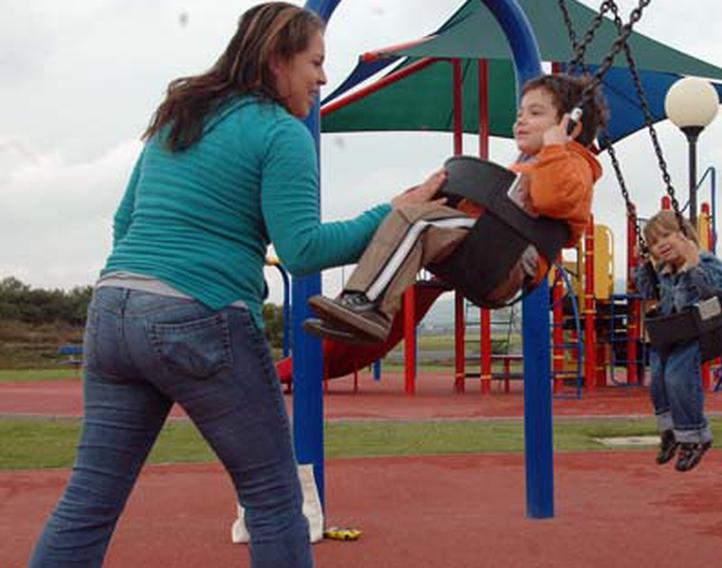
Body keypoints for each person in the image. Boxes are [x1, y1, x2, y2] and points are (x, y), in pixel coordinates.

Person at [28, 4, 441, 567]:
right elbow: (303, 251)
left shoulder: (178, 116)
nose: (322, 78)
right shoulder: (281, 133)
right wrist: (396, 211)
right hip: (200, 318)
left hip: (112, 309)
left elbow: (125, 222)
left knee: (89, 499)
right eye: (315, 63)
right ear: (276, 59)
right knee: (273, 499)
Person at [304, 74, 606, 344]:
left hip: (507, 260)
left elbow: (554, 199)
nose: (520, 121)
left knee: (419, 225)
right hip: (484, 244)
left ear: (571, 126)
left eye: (535, 113)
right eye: (520, 113)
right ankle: (356, 303)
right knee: (408, 216)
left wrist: (556, 148)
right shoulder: (532, 164)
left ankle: (370, 307)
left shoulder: (574, 164)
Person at [635, 210, 722, 472]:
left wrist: (692, 266)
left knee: (678, 378)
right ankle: (670, 432)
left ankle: (695, 437)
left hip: (701, 330)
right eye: (655, 242)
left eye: (667, 235)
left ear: (685, 234)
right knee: (657, 378)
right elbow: (646, 292)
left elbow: (717, 289)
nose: (662, 244)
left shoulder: (704, 261)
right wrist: (644, 264)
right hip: (671, 333)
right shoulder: (662, 270)